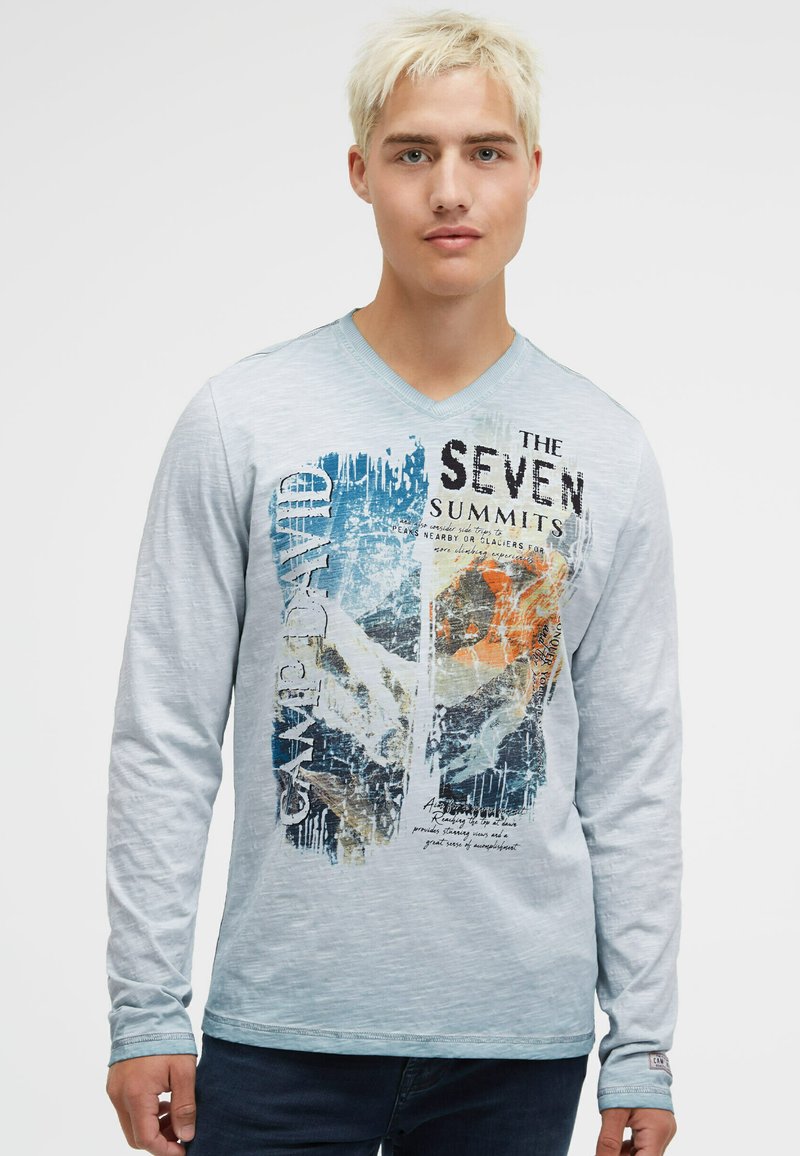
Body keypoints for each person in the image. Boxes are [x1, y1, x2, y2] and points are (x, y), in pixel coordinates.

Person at [104, 9, 683, 1156]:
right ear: (359, 170)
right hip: (280, 1031)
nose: (448, 190)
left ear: (531, 171)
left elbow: (631, 774)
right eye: (413, 151)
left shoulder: (604, 451)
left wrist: (641, 1046)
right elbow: (163, 734)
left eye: (484, 151)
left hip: (516, 1047)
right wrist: (143, 1008)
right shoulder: (241, 420)